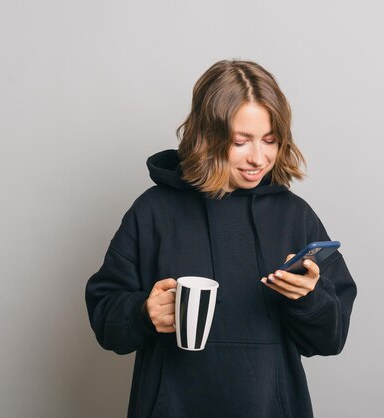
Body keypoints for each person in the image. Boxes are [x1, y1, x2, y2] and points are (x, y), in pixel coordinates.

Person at [85, 59, 357, 418]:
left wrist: (308, 300)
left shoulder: (295, 216)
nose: (258, 158)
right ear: (207, 137)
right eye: (241, 141)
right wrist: (142, 312)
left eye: (270, 141)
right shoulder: (153, 211)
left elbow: (330, 340)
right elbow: (106, 319)